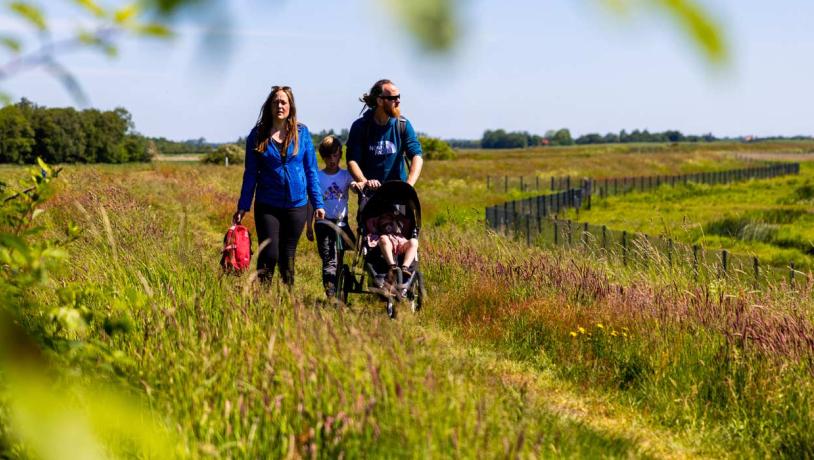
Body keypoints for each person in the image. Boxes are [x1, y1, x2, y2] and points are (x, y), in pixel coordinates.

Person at [233, 85, 326, 286]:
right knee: (270, 253)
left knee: (288, 256)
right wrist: (243, 206)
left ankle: (287, 303)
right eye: (275, 102)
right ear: (269, 106)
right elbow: (250, 174)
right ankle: (261, 300)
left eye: (284, 102)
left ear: (291, 106)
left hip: (297, 205)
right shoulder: (257, 135)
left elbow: (311, 171)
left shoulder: (302, 133)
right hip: (268, 204)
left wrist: (318, 204)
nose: (280, 105)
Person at [305, 135, 360, 298]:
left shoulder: (345, 175)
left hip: (342, 223)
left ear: (340, 155)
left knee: (341, 256)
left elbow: (353, 186)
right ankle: (331, 294)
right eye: (328, 156)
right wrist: (309, 225)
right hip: (323, 223)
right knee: (330, 259)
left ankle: (338, 288)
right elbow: (310, 203)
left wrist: (355, 185)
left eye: (335, 155)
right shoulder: (318, 177)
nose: (332, 160)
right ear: (322, 157)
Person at [346, 79, 423, 190]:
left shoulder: (403, 125)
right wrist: (364, 181)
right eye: (393, 98)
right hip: (370, 197)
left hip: (398, 196)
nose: (398, 101)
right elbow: (352, 160)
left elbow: (417, 155)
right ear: (380, 101)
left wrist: (409, 185)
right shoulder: (360, 126)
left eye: (399, 96)